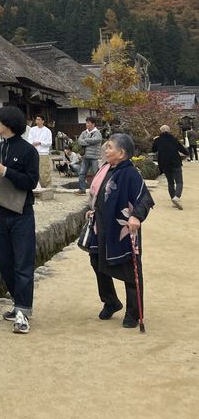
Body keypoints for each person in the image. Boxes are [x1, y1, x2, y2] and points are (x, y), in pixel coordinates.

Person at [86, 133, 154, 328]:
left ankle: (133, 312)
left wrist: (136, 216)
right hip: (101, 226)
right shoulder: (106, 169)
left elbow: (145, 199)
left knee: (130, 270)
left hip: (121, 228)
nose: (105, 150)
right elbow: (99, 195)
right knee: (97, 261)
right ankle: (111, 301)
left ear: (122, 153)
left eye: (109, 147)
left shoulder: (130, 173)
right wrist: (92, 210)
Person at [0, 106, 39, 334]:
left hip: (21, 213)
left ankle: (23, 312)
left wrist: (7, 171)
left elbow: (31, 182)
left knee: (23, 264)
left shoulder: (28, 151)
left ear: (9, 124)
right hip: (1, 210)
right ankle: (18, 304)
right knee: (5, 263)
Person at [152, 125, 188, 210]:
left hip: (164, 163)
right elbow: (183, 150)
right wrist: (186, 153)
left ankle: (173, 198)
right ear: (169, 131)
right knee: (179, 181)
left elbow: (153, 150)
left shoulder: (158, 140)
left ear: (161, 131)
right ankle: (177, 197)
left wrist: (155, 141)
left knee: (170, 182)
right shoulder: (174, 139)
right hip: (175, 162)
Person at [76, 116, 103, 194]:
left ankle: (98, 190)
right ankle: (82, 189)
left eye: (88, 123)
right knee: (82, 173)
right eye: (86, 123)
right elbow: (80, 141)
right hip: (85, 156)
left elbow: (97, 140)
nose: (87, 124)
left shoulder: (97, 133)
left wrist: (86, 140)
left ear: (93, 124)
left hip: (95, 157)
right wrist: (89, 142)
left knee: (96, 174)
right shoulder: (84, 132)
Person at [28, 115, 53, 188]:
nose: (37, 121)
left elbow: (49, 142)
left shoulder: (47, 131)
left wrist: (40, 142)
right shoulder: (32, 130)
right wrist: (32, 143)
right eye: (36, 119)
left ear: (43, 121)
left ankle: (46, 186)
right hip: (34, 152)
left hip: (43, 153)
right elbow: (30, 140)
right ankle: (36, 186)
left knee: (44, 171)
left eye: (39, 119)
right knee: (34, 170)